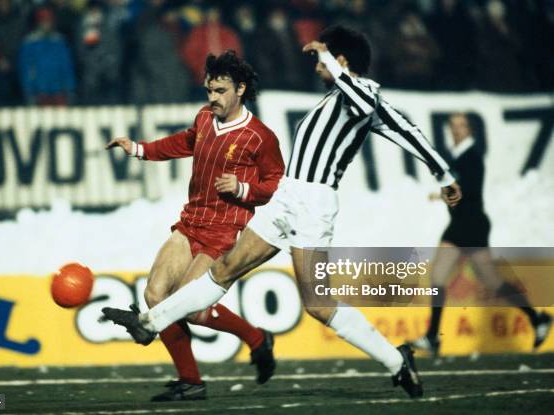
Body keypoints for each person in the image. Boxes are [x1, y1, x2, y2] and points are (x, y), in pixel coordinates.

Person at [102, 26, 463, 399]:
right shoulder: (335, 97)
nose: (317, 68)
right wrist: (444, 171)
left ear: (339, 61)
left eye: (325, 62)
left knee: (319, 305)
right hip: (287, 198)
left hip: (312, 206)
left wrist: (444, 173)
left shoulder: (363, 93)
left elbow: (395, 121)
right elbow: (400, 127)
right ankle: (149, 321)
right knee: (223, 270)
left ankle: (395, 360)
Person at [105, 50, 284, 401]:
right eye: (209, 90)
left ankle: (257, 339)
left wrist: (244, 188)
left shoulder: (260, 136)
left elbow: (277, 183)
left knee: (193, 308)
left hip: (225, 232)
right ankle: (191, 381)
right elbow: (185, 142)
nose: (212, 98)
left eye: (220, 91)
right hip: (191, 224)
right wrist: (139, 149)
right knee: (155, 296)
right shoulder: (204, 118)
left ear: (240, 90)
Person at [410, 113, 552, 355]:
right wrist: (445, 195)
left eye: (462, 125)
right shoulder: (458, 157)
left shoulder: (471, 158)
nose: (457, 130)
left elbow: (467, 191)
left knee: (481, 280)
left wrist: (442, 195)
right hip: (464, 224)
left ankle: (537, 318)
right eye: (453, 126)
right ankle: (433, 336)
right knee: (452, 277)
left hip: (471, 225)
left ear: (470, 130)